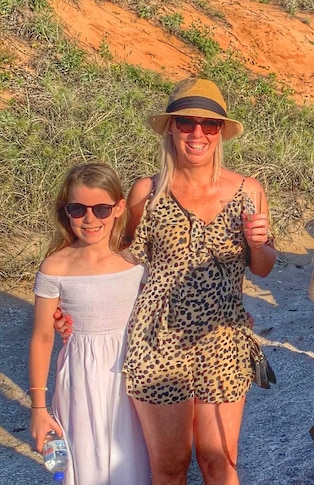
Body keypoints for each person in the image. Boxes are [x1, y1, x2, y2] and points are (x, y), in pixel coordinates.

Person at [122, 77, 276, 484]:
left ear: (220, 132)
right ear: (171, 127)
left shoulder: (249, 190)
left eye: (209, 125)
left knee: (219, 461)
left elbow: (262, 267)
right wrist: (71, 303)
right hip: (158, 342)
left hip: (223, 343)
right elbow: (119, 262)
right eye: (187, 122)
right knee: (170, 467)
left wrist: (258, 243)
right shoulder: (146, 192)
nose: (197, 133)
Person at [29, 163, 150, 484]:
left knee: (132, 466)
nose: (90, 218)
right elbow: (42, 337)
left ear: (119, 207)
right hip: (79, 380)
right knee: (86, 466)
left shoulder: (136, 261)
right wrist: (39, 409)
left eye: (101, 208)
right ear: (65, 211)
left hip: (133, 378)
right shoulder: (55, 266)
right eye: (77, 209)